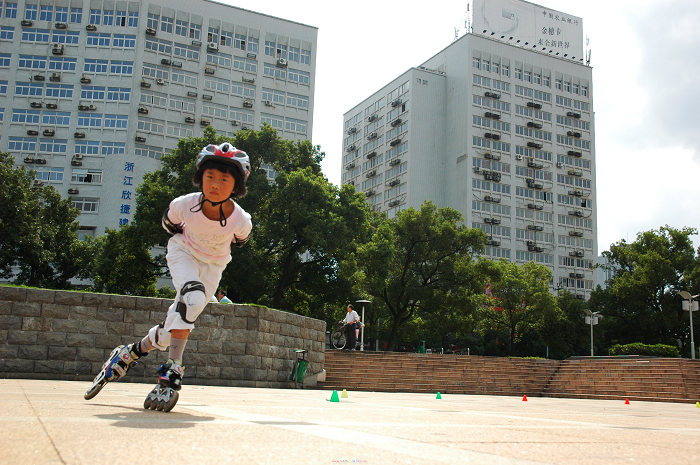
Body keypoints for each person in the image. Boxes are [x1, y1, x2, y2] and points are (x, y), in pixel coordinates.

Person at [84, 142, 252, 412]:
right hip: (183, 253)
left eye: (224, 179)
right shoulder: (183, 205)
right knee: (193, 299)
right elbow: (171, 227)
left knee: (172, 328)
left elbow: (240, 240)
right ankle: (171, 373)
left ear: (237, 185)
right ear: (200, 177)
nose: (215, 184)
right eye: (210, 176)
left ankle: (130, 353)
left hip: (214, 266)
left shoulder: (241, 220)